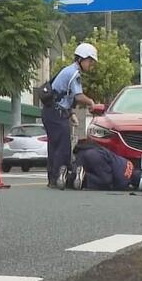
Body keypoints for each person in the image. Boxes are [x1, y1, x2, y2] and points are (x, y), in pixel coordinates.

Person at [40, 43, 98, 190]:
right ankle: (59, 178)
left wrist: (71, 113)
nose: (91, 65)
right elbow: (78, 96)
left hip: (52, 112)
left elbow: (64, 96)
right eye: (90, 61)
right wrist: (91, 102)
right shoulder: (74, 73)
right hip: (56, 113)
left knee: (55, 146)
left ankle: (53, 179)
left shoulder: (68, 71)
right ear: (82, 59)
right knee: (63, 147)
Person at [70, 140, 142, 191]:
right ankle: (83, 177)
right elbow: (108, 182)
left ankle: (69, 175)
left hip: (90, 152)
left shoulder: (129, 163)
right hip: (95, 157)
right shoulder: (124, 183)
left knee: (81, 169)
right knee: (105, 182)